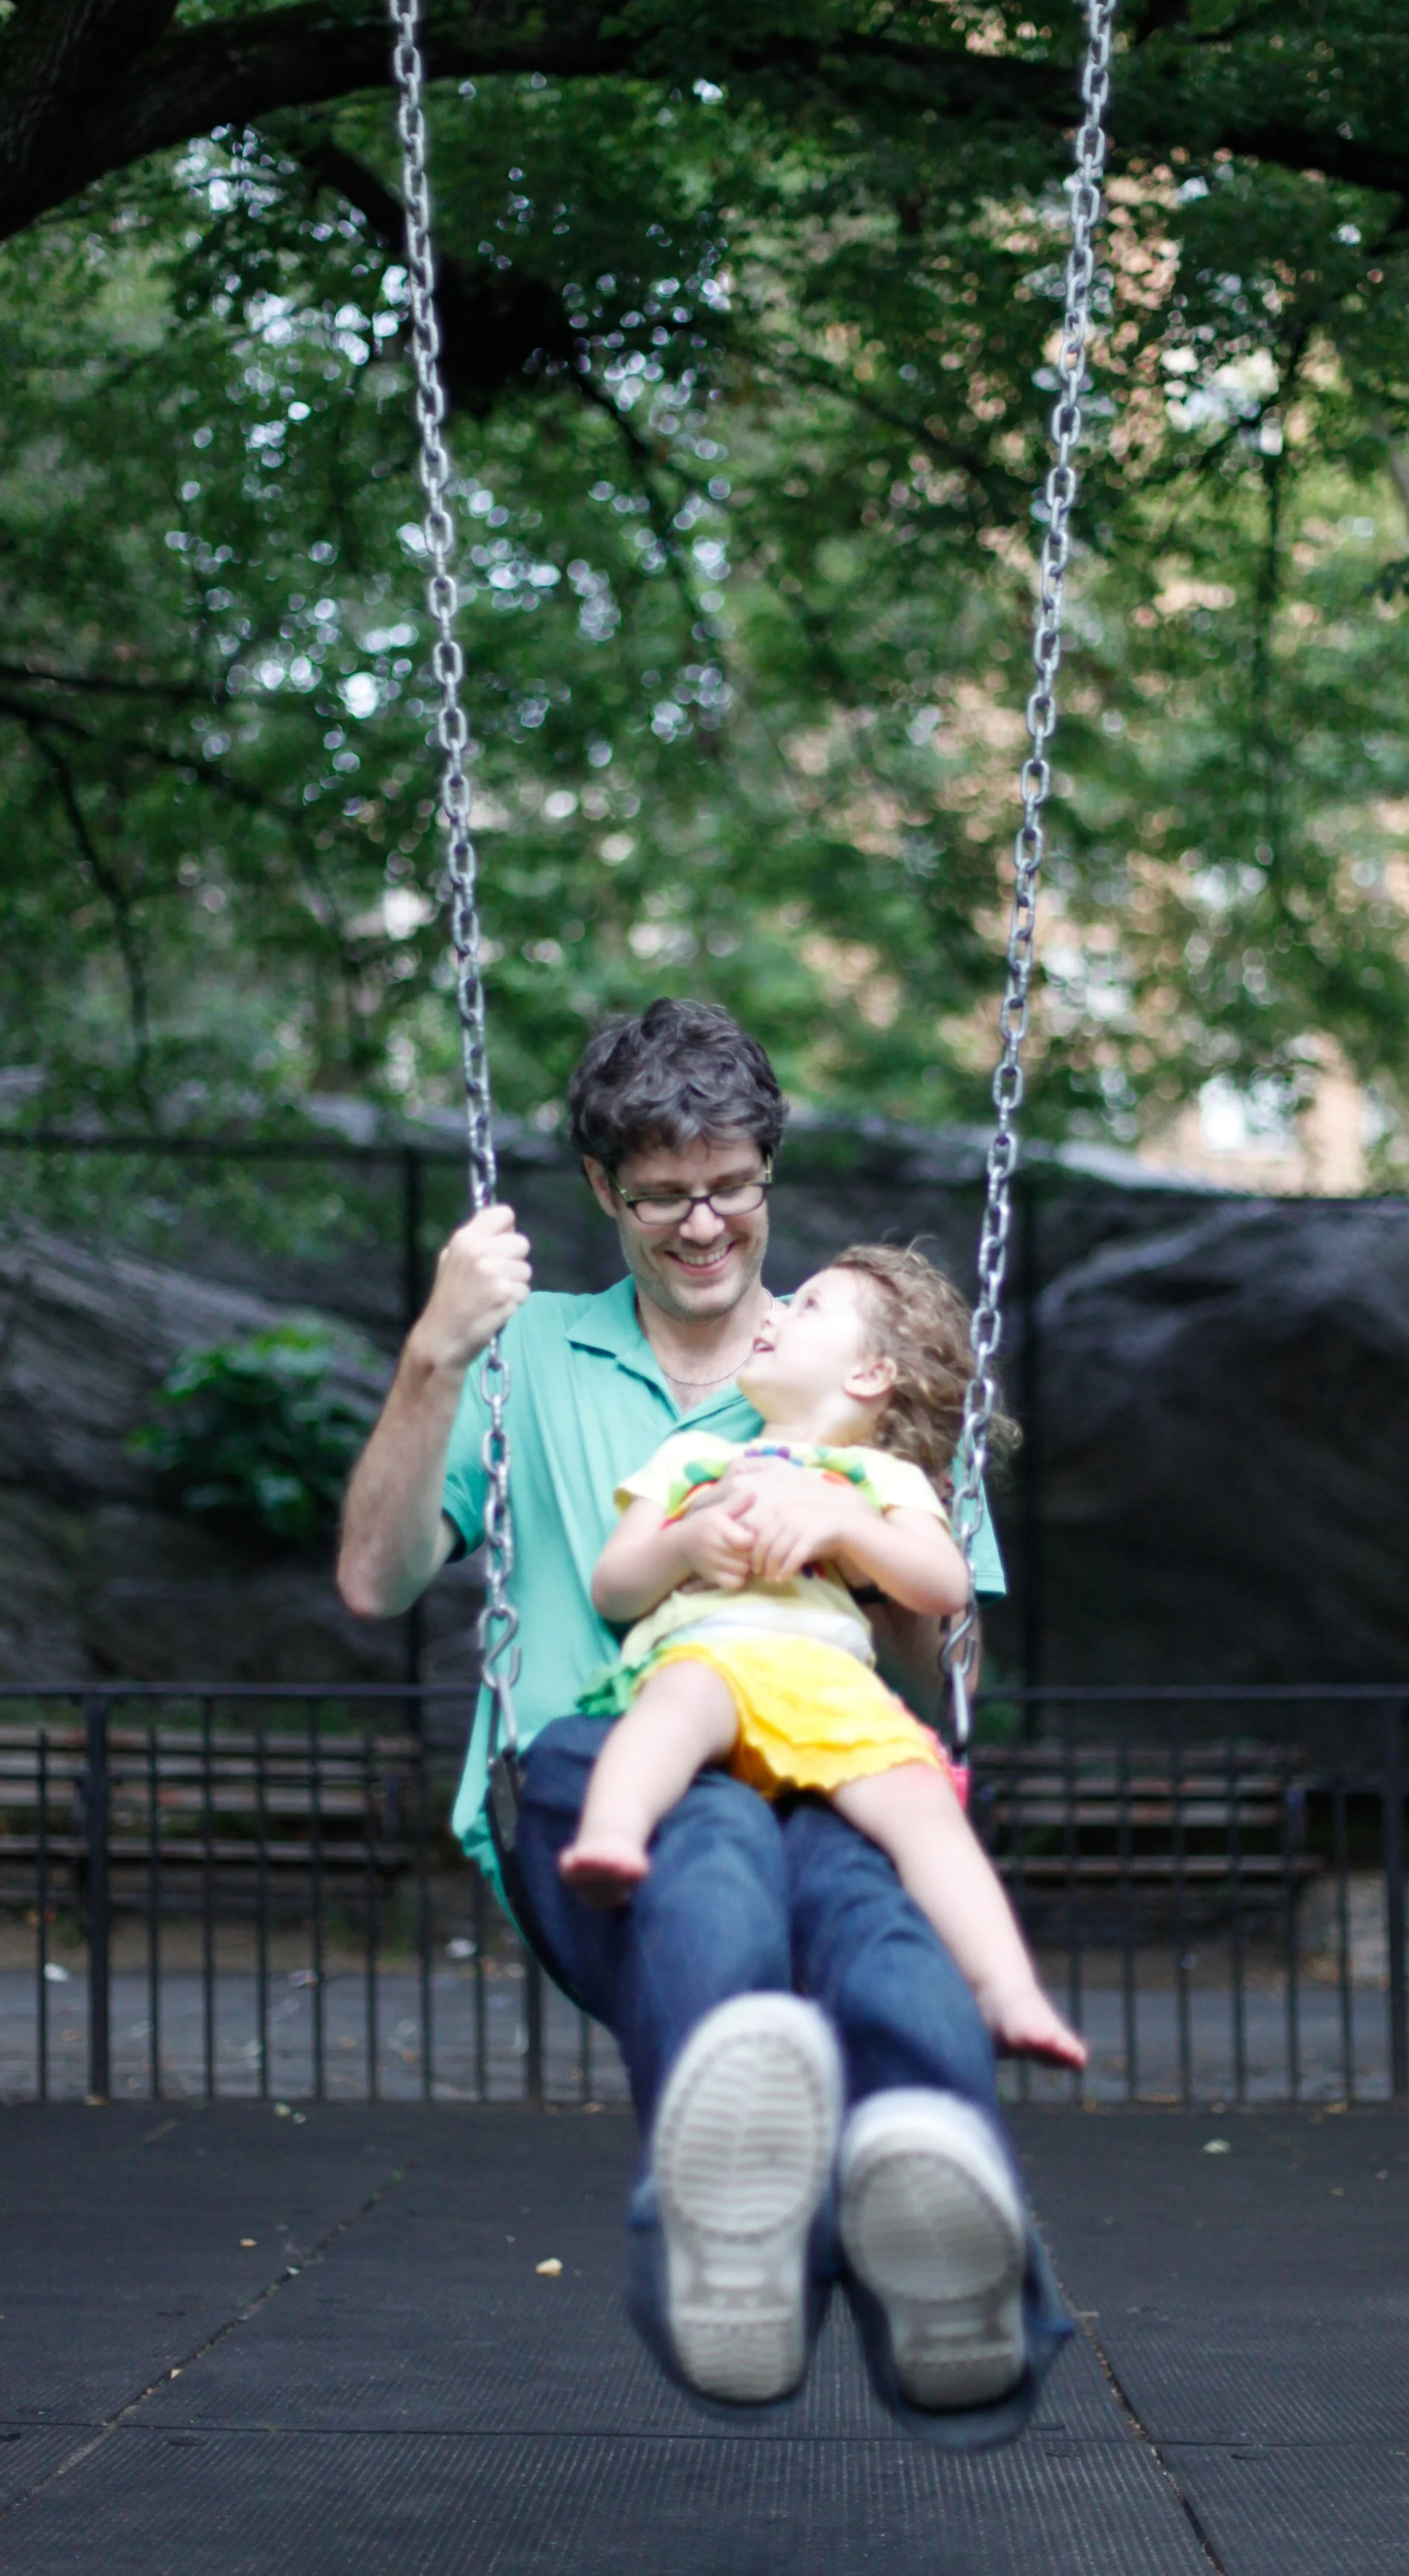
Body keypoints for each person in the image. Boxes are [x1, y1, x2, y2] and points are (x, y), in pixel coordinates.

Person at [337, 998, 1073, 2436]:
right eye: (663, 1194)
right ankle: (734, 2232)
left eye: (730, 1186)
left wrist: (853, 1529)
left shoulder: (847, 1371)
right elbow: (376, 1577)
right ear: (605, 1191)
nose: (701, 1224)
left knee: (869, 1912)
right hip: (602, 1766)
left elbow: (935, 1665)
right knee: (714, 1839)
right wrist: (434, 1354)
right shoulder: (530, 1352)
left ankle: (949, 2244)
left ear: (766, 1178)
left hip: (821, 1767)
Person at [559, 1245, 1087, 2073]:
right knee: (669, 1710)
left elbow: (942, 1583)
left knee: (922, 1805)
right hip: (710, 1648)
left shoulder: (879, 1479)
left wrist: (847, 1528)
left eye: (806, 1307)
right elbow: (614, 1587)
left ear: (871, 1373)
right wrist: (686, 1542)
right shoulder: (691, 1463)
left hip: (828, 1678)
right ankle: (613, 1838)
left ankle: (1007, 1991)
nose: (773, 1311)